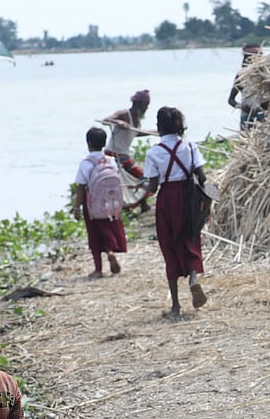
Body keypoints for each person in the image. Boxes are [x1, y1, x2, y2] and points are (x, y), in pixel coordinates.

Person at [143, 107, 208, 318]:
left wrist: (141, 189)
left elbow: (152, 187)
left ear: (159, 126)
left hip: (167, 200)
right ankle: (193, 278)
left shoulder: (153, 152)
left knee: (169, 246)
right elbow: (202, 176)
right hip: (188, 197)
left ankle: (176, 307)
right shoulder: (189, 146)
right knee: (190, 239)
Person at [72, 127, 128, 279]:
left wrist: (77, 207)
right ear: (104, 143)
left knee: (95, 235)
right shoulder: (111, 160)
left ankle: (98, 269)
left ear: (88, 143)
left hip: (92, 206)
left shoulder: (86, 163)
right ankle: (110, 252)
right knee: (108, 229)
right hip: (110, 203)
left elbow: (81, 187)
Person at [103, 89, 152, 180]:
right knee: (141, 176)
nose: (146, 108)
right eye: (146, 105)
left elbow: (135, 133)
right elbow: (106, 120)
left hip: (124, 156)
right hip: (113, 154)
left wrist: (152, 132)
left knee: (144, 178)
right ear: (138, 104)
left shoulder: (137, 119)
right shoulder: (124, 113)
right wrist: (118, 122)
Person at [227, 44, 267, 129]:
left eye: (260, 55)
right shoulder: (241, 75)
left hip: (264, 116)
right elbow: (231, 100)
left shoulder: (266, 74)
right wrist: (242, 107)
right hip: (247, 118)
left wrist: (265, 104)